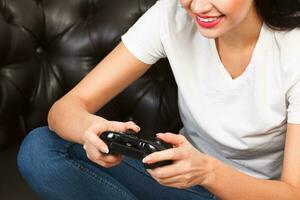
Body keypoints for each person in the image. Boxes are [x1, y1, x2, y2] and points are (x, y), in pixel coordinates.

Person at [17, 0, 300, 199]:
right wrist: (91, 130)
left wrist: (207, 172)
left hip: (248, 192)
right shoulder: (172, 15)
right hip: (177, 182)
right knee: (40, 147)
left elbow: (293, 193)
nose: (198, 7)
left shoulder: (293, 50)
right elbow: (64, 109)